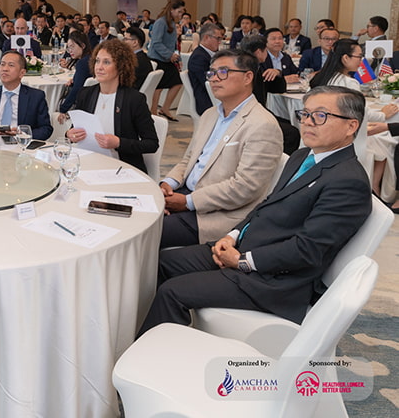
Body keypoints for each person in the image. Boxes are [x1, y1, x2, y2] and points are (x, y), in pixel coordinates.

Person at [138, 86, 370, 336]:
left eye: (321, 116)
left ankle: (155, 364)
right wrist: (232, 235)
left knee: (172, 292)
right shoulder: (303, 155)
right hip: (245, 246)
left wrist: (241, 262)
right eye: (305, 114)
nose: (308, 122)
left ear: (351, 126)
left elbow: (308, 251)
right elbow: (267, 203)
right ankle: (152, 340)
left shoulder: (348, 181)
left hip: (274, 279)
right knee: (160, 264)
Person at [159, 49, 283, 248]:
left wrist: (188, 202)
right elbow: (190, 158)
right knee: (135, 213)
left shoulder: (262, 124)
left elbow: (244, 187)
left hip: (215, 214)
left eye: (223, 72)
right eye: (211, 73)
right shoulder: (210, 114)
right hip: (185, 194)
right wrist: (168, 184)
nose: (214, 79)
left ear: (247, 77)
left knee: (146, 231)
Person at [65, 39, 158, 172]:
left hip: (122, 167)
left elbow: (151, 143)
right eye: (97, 61)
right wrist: (70, 134)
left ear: (121, 66)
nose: (99, 67)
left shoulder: (134, 99)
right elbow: (74, 129)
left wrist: (118, 143)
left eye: (106, 62)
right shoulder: (85, 94)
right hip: (89, 164)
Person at [240, 35, 302, 154]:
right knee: (292, 133)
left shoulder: (256, 68)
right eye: (265, 51)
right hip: (251, 117)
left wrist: (277, 73)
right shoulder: (249, 72)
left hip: (257, 113)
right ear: (259, 52)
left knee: (287, 123)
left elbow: (278, 89)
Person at [0, 51, 53, 141]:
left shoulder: (36, 97)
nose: (5, 69)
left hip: (22, 146)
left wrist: (24, 134)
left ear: (22, 73)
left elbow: (46, 129)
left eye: (11, 65)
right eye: (2, 64)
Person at [148, 0, 185, 121]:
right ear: (172, 10)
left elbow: (173, 43)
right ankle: (153, 111)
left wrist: (176, 56)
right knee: (158, 87)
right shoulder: (161, 22)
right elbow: (156, 43)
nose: (181, 15)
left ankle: (165, 108)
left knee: (178, 82)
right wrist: (169, 55)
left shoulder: (172, 23)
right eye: (179, 12)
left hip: (168, 59)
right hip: (158, 58)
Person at [187, 22, 225, 116]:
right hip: (207, 100)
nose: (220, 42)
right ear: (207, 37)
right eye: (218, 38)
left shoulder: (209, 54)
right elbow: (208, 82)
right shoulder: (199, 57)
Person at [57, 30, 92, 121]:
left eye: (72, 47)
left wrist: (63, 109)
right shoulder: (90, 58)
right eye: (68, 48)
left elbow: (77, 89)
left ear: (83, 46)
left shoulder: (82, 63)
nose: (70, 51)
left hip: (82, 106)